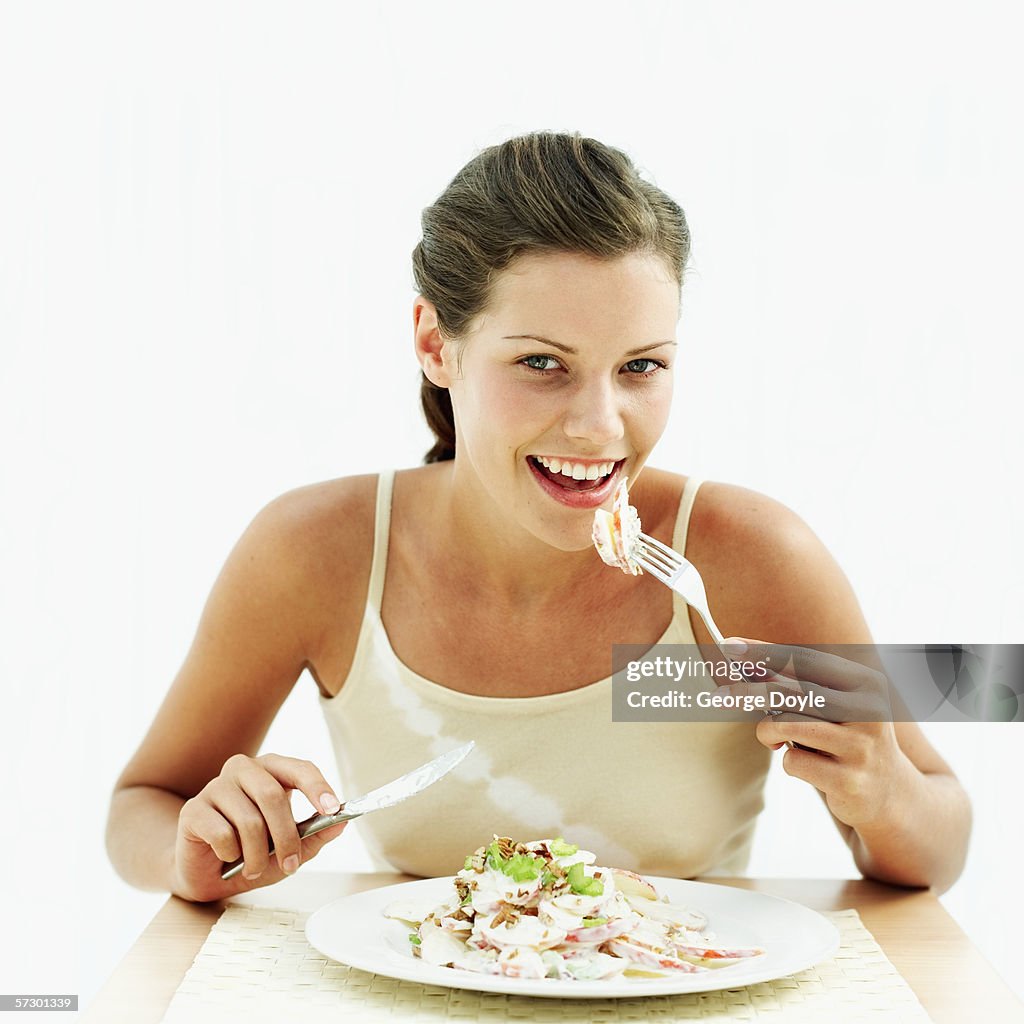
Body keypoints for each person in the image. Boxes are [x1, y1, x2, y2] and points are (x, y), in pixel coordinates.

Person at [105, 131, 971, 904]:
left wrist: (884, 792)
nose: (600, 427)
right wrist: (193, 852)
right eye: (542, 364)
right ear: (436, 344)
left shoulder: (753, 558)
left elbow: (941, 839)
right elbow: (143, 806)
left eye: (640, 367)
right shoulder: (313, 552)